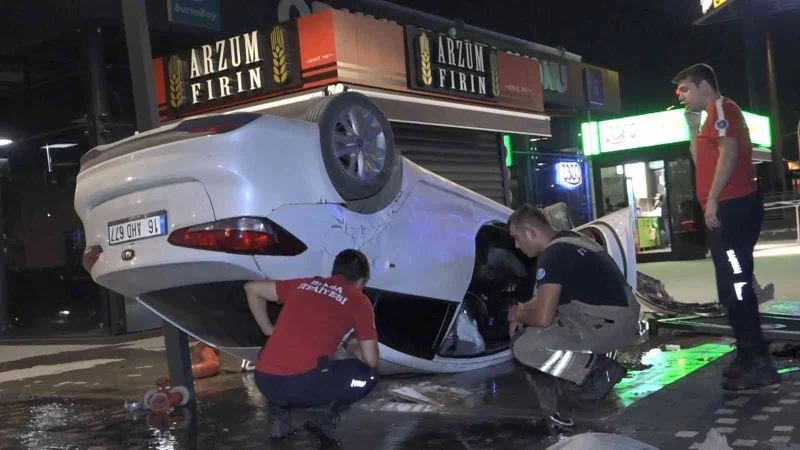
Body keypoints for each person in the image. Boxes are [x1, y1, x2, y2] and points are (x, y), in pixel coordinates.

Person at [673, 63, 780, 391]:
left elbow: (729, 154)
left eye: (685, 88)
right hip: (727, 211)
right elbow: (700, 158)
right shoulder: (710, 118)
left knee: (736, 285)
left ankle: (757, 360)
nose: (680, 96)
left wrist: (715, 199)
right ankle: (748, 355)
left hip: (732, 211)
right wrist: (692, 128)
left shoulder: (723, 108)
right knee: (731, 287)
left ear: (704, 85)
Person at [506, 204, 640, 407]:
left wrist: (519, 314)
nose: (516, 246)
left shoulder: (552, 257)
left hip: (610, 326)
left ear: (531, 233)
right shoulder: (570, 241)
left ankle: (594, 372)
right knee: (549, 321)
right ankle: (591, 364)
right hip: (621, 319)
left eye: (517, 238)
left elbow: (543, 317)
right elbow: (547, 298)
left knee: (524, 345)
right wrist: (523, 309)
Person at [244, 249, 379, 444]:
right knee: (370, 374)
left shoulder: (305, 284)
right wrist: (351, 346)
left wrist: (268, 329)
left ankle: (279, 415)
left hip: (265, 380)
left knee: (294, 361)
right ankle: (323, 416)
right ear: (361, 281)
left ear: (334, 272)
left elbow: (252, 288)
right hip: (302, 385)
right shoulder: (359, 301)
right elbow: (371, 358)